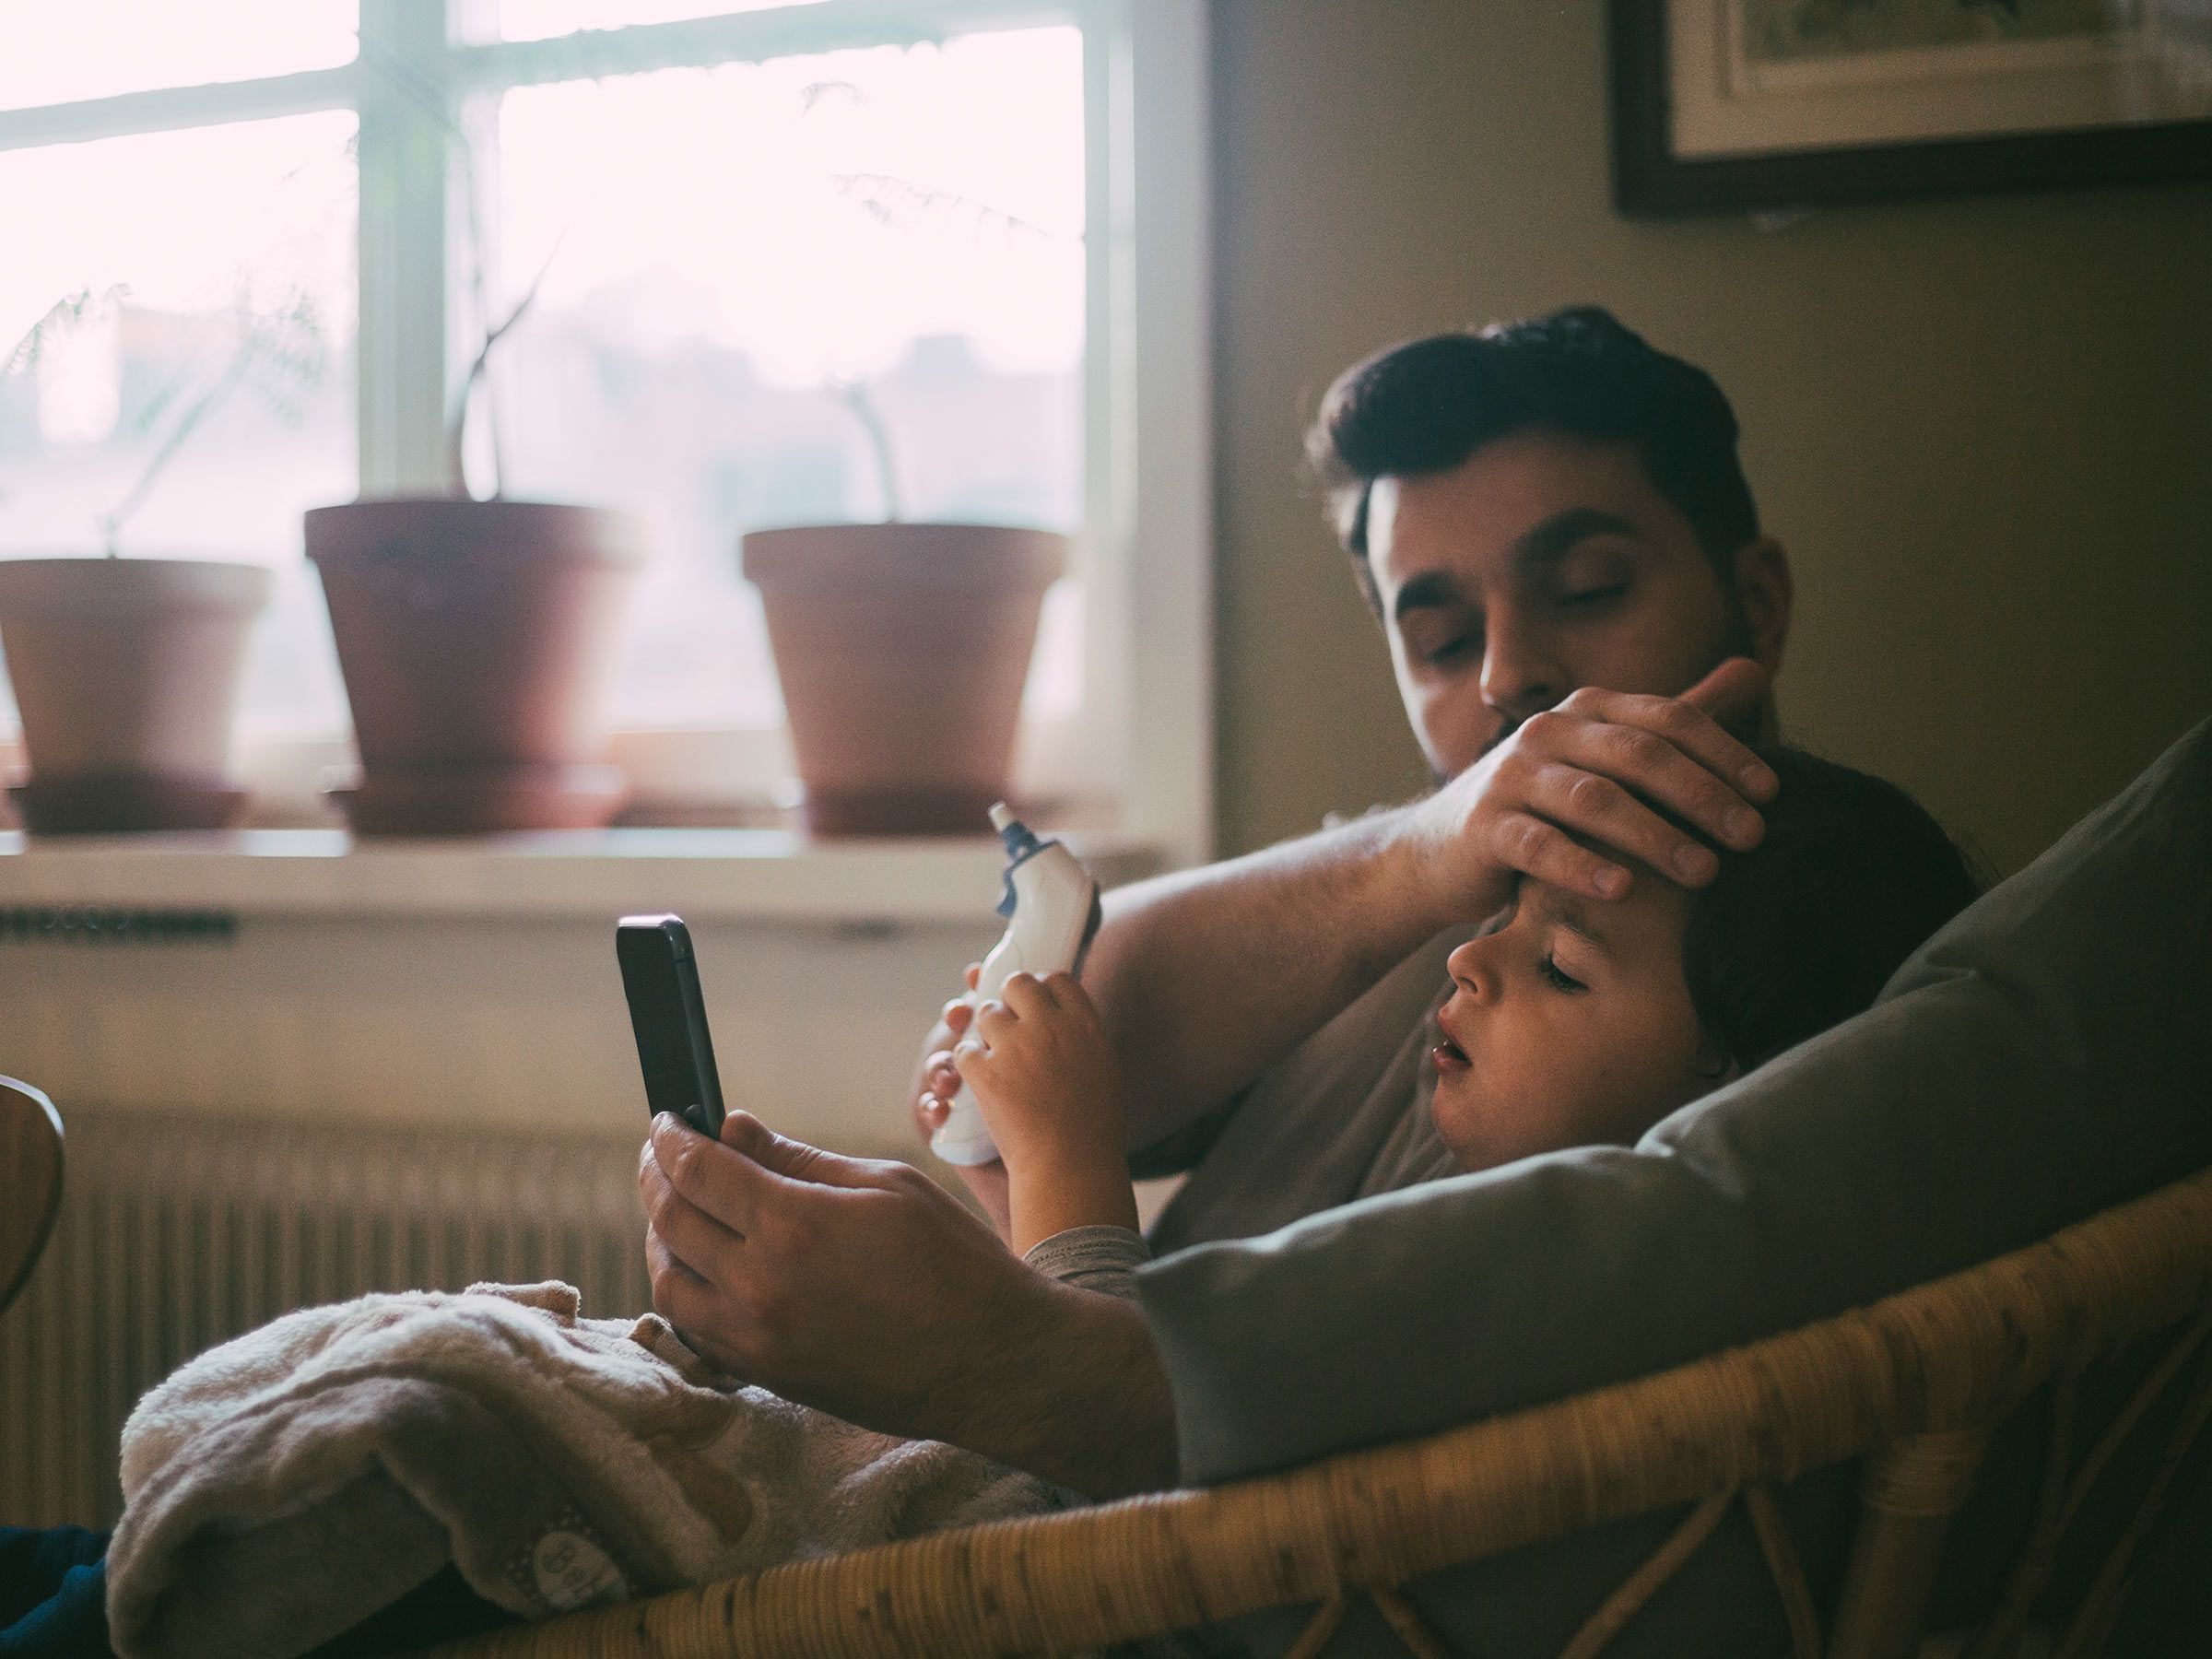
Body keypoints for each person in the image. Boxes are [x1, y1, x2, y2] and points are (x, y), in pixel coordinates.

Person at [638, 304, 1799, 1496]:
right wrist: (1424, 851)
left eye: (1590, 589)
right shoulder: (1439, 905)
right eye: (1445, 637)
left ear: (1756, 600)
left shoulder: (1763, 987)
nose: (1510, 677)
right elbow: (1095, 1023)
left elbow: (1141, 1438)